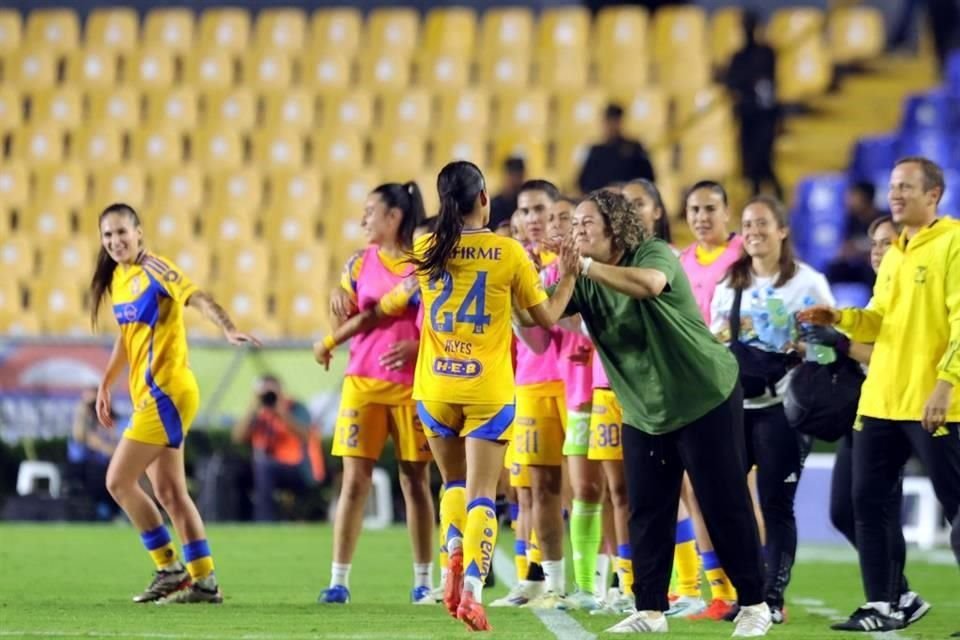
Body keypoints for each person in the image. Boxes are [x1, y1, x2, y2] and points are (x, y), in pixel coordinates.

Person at [319, 161, 578, 630]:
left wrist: (335, 333)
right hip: (487, 390)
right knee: (483, 493)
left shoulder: (426, 247)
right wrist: (572, 276)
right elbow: (547, 318)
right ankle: (473, 589)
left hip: (434, 389)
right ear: (484, 200)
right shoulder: (509, 253)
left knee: (451, 486)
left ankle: (451, 554)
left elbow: (389, 302)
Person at [520, 189, 771, 636]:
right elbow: (548, 315)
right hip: (643, 407)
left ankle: (755, 603)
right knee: (647, 509)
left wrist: (586, 267)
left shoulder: (653, 251)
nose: (575, 231)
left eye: (585, 223)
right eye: (573, 225)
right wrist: (521, 286)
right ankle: (651, 610)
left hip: (702, 395)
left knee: (722, 502)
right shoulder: (577, 273)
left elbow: (650, 285)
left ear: (614, 225)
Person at [799, 156, 960, 632]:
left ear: (933, 195)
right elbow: (878, 319)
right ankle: (884, 605)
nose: (896, 194)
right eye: (893, 186)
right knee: (865, 504)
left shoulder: (952, 244)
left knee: (957, 507)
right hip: (880, 401)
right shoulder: (895, 253)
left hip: (932, 400)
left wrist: (946, 383)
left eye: (906, 187)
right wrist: (840, 318)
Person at [90, 202, 260, 604]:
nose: (115, 241)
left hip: (168, 393)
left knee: (118, 481)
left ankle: (167, 568)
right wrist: (105, 383)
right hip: (150, 395)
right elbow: (126, 336)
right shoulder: (119, 278)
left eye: (121, 233)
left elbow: (196, 296)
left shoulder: (155, 269)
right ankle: (204, 582)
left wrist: (228, 327)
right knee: (169, 492)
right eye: (108, 235)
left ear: (139, 233)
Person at [710, 196, 835, 623]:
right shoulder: (730, 283)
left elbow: (833, 353)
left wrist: (803, 350)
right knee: (729, 502)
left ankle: (773, 597)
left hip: (785, 409)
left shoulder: (808, 284)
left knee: (776, 503)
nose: (752, 232)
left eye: (762, 223)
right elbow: (714, 343)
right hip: (735, 408)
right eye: (746, 225)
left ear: (783, 230)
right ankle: (748, 593)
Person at [804, 215, 931, 627]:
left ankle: (890, 600)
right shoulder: (880, 291)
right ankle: (901, 595)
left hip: (909, 407)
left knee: (883, 507)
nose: (878, 250)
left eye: (887, 242)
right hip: (869, 409)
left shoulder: (913, 293)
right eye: (874, 243)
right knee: (846, 509)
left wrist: (842, 342)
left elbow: (889, 357)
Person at [315, 181, 437, 605]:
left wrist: (418, 346)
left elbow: (443, 321)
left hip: (411, 387)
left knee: (415, 481)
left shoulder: (425, 263)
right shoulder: (357, 263)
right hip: (362, 383)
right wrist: (336, 299)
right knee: (353, 483)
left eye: (369, 211)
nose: (362, 219)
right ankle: (339, 581)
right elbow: (344, 325)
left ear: (393, 217)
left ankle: (424, 580)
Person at [510, 179, 569, 608]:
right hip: (531, 382)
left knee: (593, 489)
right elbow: (531, 340)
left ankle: (610, 580)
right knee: (535, 488)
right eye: (526, 211)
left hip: (575, 382)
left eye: (540, 210)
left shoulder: (570, 259)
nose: (533, 219)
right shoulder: (516, 263)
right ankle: (542, 579)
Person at [231, 375, 317, 522]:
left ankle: (264, 521)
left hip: (294, 467)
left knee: (264, 467)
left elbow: (304, 435)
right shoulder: (258, 411)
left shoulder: (295, 407)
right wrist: (253, 408)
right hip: (262, 466)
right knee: (232, 468)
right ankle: (234, 518)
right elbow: (237, 437)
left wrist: (281, 412)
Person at [724, 11, 782, 198]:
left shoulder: (766, 53)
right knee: (750, 165)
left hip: (764, 117)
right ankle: (757, 198)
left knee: (763, 161)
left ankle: (775, 198)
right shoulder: (738, 57)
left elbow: (769, 85)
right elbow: (731, 84)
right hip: (747, 117)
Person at [679, 181, 745, 323]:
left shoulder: (746, 252)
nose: (702, 218)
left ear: (727, 213)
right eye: (695, 210)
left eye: (710, 209)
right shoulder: (681, 260)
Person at [578, 103, 656, 195]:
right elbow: (583, 182)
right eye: (608, 121)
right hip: (601, 202)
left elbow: (648, 179)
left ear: (620, 122)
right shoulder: (596, 150)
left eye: (615, 121)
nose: (611, 126)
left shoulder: (634, 148)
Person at [68, 386, 120, 519]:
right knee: (95, 472)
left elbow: (117, 446)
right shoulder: (84, 425)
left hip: (111, 465)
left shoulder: (115, 422)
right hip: (88, 470)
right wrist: (83, 410)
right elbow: (80, 436)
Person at [826, 181, 885, 286]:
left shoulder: (883, 220)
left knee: (871, 271)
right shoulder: (852, 220)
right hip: (858, 263)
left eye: (853, 196)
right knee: (834, 268)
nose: (849, 200)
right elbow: (847, 247)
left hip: (875, 265)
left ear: (865, 198)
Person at [488, 156, 526, 234]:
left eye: (518, 176)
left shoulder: (525, 205)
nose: (515, 181)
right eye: (512, 175)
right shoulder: (493, 205)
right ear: (504, 176)